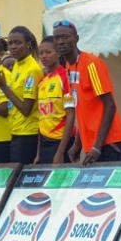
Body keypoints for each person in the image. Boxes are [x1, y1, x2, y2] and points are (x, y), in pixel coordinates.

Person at [53, 20, 121, 165]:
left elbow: (110, 105)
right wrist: (78, 144)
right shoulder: (68, 68)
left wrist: (97, 147)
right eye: (57, 38)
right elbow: (82, 109)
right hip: (93, 146)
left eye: (65, 37)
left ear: (76, 38)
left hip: (110, 144)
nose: (61, 42)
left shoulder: (91, 64)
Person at [0, 26, 43, 164]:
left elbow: (26, 109)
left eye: (17, 43)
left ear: (28, 44)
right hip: (15, 131)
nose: (13, 47)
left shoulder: (32, 69)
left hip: (28, 133)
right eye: (10, 43)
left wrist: (3, 86)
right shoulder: (17, 64)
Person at [35, 36, 75, 164]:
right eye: (41, 53)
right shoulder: (42, 81)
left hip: (61, 141)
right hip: (44, 143)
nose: (43, 56)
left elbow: (70, 114)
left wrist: (60, 152)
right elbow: (41, 118)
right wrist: (38, 154)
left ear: (58, 53)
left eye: (48, 52)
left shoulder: (65, 78)